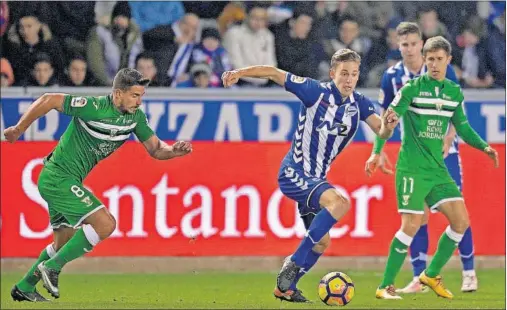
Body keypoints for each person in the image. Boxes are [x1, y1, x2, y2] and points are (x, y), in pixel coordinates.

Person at [222, 48, 396, 302]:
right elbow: (273, 73)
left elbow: (380, 130)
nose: (349, 79)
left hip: (315, 181)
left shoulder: (358, 103)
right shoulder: (315, 92)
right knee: (340, 202)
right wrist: (239, 73)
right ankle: (293, 262)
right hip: (294, 172)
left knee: (321, 242)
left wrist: (389, 127)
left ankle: (286, 288)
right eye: (344, 73)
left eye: (354, 74)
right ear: (332, 73)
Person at [4, 68, 192, 302]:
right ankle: (52, 268)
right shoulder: (93, 107)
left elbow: (155, 148)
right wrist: (18, 129)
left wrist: (173, 151)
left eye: (141, 95)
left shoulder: (135, 118)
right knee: (105, 224)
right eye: (134, 95)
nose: (139, 101)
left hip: (65, 179)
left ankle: (24, 286)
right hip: (57, 177)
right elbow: (49, 99)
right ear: (117, 94)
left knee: (62, 241)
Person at [366, 36, 499, 300]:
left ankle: (431, 274)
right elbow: (389, 120)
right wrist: (376, 151)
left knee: (461, 221)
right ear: (424, 61)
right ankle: (385, 286)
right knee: (411, 224)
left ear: (449, 60)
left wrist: (484, 146)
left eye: (439, 59)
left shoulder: (453, 92)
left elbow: (462, 128)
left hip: (438, 169)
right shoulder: (411, 89)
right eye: (430, 60)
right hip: (412, 168)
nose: (435, 65)